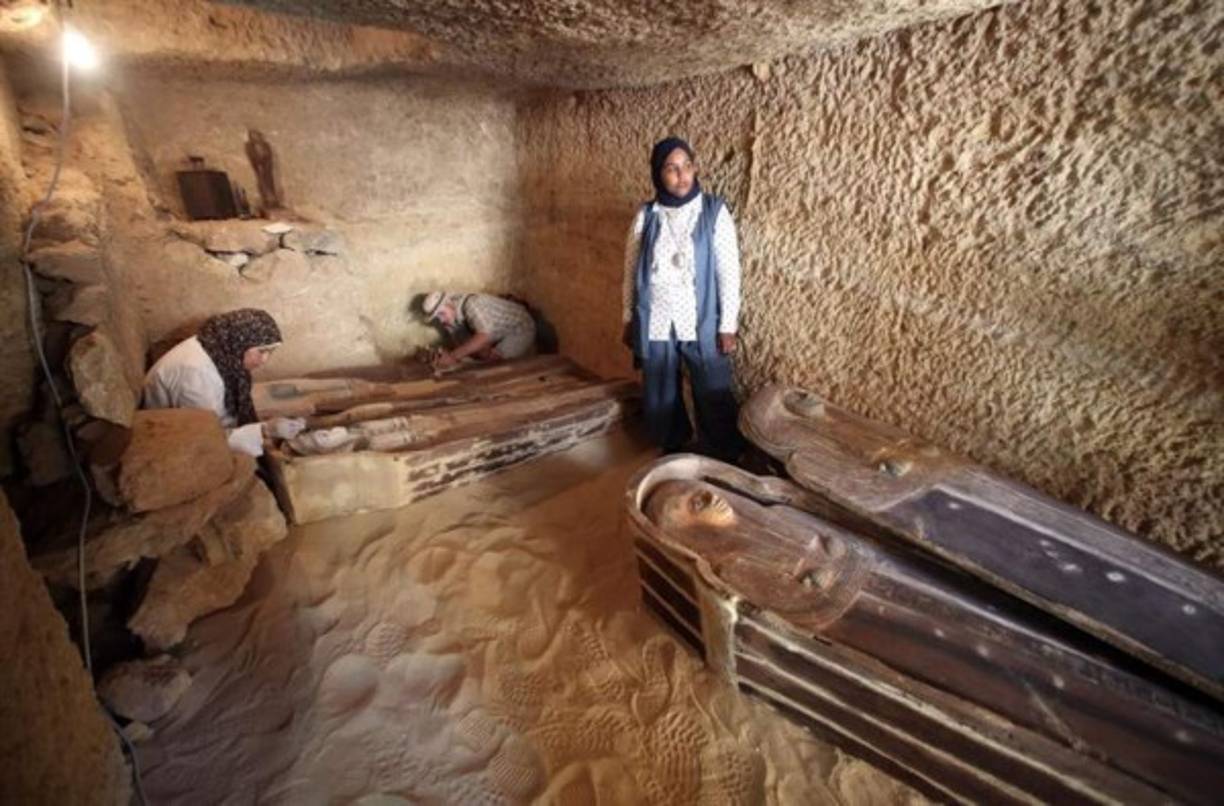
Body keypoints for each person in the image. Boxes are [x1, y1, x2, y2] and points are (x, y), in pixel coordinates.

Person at [622, 136, 745, 461]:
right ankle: (673, 449)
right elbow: (630, 271)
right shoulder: (646, 216)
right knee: (660, 391)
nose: (682, 175)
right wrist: (627, 316)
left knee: (712, 387)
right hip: (656, 318)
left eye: (687, 166)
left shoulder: (712, 212)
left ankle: (725, 455)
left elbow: (728, 271)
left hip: (700, 319)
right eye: (671, 169)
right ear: (657, 173)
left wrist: (727, 324)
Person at [142, 308, 305, 457]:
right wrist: (265, 430)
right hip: (168, 439)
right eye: (261, 351)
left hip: (201, 424)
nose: (264, 360)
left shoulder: (219, 347)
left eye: (271, 351)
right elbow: (206, 438)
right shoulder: (197, 375)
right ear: (240, 342)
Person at [422, 291, 537, 370]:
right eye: (437, 317)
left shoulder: (472, 304)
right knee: (480, 355)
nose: (441, 320)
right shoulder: (449, 319)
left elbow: (483, 336)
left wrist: (453, 356)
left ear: (449, 304)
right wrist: (446, 357)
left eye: (442, 313)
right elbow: (463, 347)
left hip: (520, 327)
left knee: (496, 365)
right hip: (496, 332)